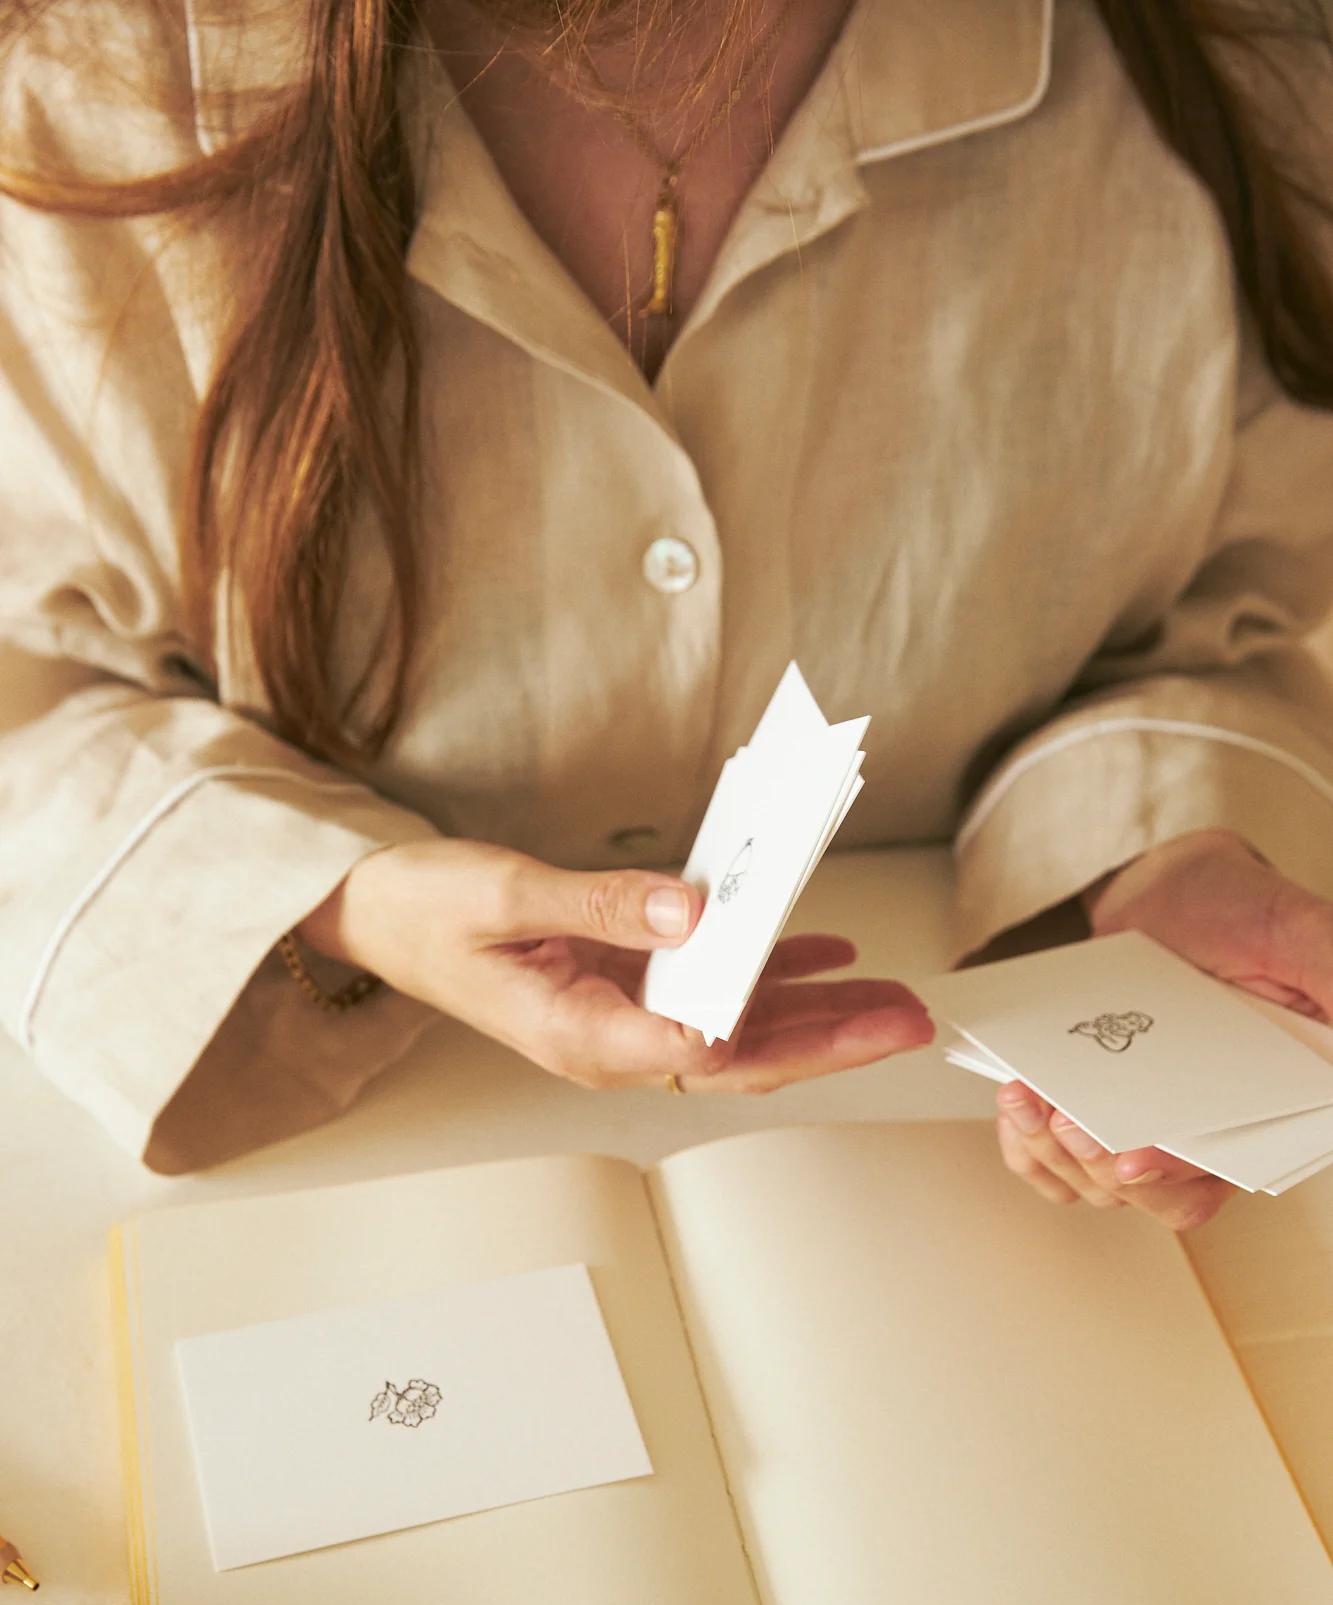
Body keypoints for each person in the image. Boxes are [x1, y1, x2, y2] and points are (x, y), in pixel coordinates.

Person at [2, 0, 1333, 1230]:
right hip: (332, 1189)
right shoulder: (82, 87)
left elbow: (1212, 635)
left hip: (969, 1188)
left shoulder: (1232, 69)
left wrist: (1163, 852)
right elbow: (40, 697)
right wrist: (344, 902)